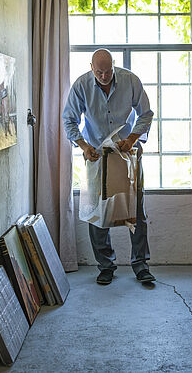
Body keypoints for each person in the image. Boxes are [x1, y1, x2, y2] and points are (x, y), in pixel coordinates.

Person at [62, 49, 156, 285]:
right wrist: (83, 145)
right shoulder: (81, 85)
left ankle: (140, 265)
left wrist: (132, 138)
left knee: (136, 211)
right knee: (98, 214)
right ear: (91, 68)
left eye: (108, 71)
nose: (104, 76)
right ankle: (105, 266)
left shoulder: (131, 80)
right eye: (99, 72)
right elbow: (69, 119)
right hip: (96, 154)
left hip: (127, 152)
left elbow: (146, 114)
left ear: (114, 66)